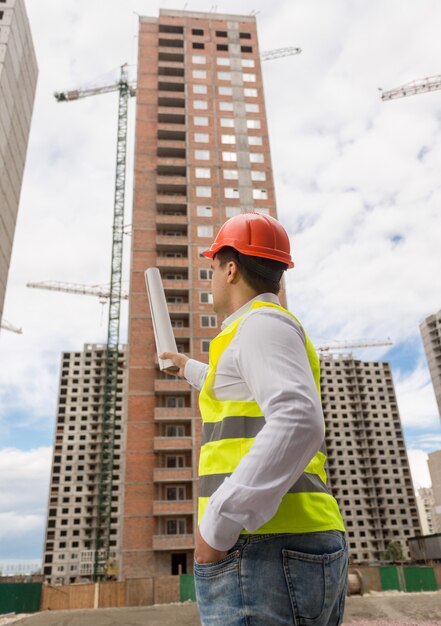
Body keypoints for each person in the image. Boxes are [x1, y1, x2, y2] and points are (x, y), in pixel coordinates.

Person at [160, 212, 348, 626]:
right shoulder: (260, 329)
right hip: (284, 543)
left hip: (263, 547)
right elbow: (237, 389)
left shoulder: (260, 325)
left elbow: (298, 419)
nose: (210, 278)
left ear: (230, 268)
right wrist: (187, 367)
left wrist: (218, 524)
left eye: (212, 267)